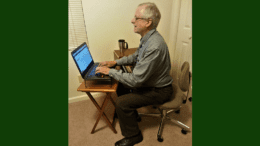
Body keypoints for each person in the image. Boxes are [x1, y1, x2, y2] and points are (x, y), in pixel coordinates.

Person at [95, 2, 173, 146]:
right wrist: (115, 63)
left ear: (148, 22)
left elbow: (136, 80)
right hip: (150, 83)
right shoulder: (148, 38)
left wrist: (109, 71)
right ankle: (131, 114)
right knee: (119, 82)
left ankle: (134, 135)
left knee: (121, 102)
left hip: (160, 90)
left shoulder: (154, 46)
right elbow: (136, 56)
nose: (132, 20)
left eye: (136, 18)